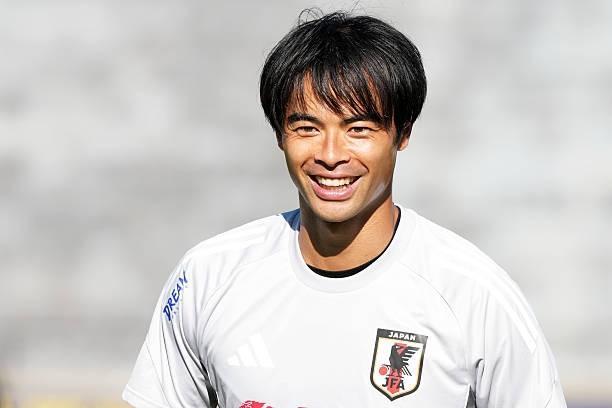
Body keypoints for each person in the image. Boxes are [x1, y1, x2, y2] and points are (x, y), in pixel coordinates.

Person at [123, 11, 567, 408]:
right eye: (307, 127)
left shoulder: (473, 294)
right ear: (279, 135)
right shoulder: (208, 277)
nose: (331, 154)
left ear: (403, 134)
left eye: (358, 129)